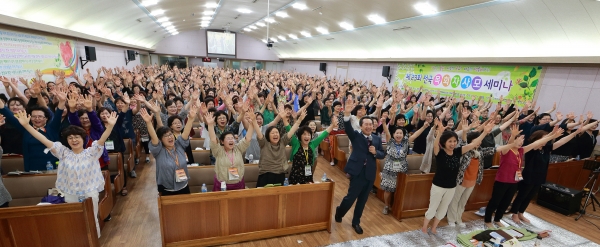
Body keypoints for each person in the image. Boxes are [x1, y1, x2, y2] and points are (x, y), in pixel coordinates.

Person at [14, 109, 118, 238]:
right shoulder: (63, 152)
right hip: (71, 193)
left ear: (83, 139)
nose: (74, 140)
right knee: (75, 221)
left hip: (89, 193)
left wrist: (110, 126)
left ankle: (94, 241)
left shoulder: (91, 152)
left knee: (92, 219)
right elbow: (43, 139)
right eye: (70, 138)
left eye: (77, 137)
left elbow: (102, 140)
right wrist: (26, 125)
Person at [510, 120, 598, 224]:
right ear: (537, 139)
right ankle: (514, 213)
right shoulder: (532, 148)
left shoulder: (546, 149)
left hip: (540, 176)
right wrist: (552, 135)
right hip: (529, 176)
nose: (546, 141)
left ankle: (521, 213)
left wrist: (575, 133)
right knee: (522, 195)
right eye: (544, 139)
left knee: (529, 196)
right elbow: (537, 143)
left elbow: (561, 142)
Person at [421, 119, 492, 235]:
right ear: (444, 142)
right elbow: (435, 144)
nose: (453, 144)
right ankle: (424, 227)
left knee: (443, 209)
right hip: (438, 186)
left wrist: (484, 133)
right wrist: (440, 132)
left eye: (454, 141)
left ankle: (434, 228)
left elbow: (473, 144)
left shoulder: (458, 151)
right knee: (432, 208)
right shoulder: (440, 153)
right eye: (450, 141)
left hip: (451, 187)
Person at [483, 126, 560, 229]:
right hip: (502, 181)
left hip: (514, 182)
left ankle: (497, 219)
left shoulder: (521, 151)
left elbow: (535, 143)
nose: (520, 143)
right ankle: (488, 220)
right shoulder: (506, 151)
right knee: (495, 201)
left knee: (506, 202)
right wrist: (513, 135)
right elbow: (509, 144)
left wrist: (552, 136)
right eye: (518, 141)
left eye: (522, 140)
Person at [447, 123, 518, 227]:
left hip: (472, 181)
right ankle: (451, 219)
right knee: (455, 201)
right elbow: (463, 142)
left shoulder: (480, 152)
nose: (479, 143)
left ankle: (458, 218)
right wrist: (465, 131)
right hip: (461, 181)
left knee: (463, 201)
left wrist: (512, 142)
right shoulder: (465, 151)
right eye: (476, 141)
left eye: (479, 141)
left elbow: (495, 149)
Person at [334, 99, 386, 235]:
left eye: (371, 124)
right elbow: (347, 127)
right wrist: (346, 114)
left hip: (370, 174)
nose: (369, 127)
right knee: (350, 198)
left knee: (362, 200)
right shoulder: (356, 136)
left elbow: (382, 153)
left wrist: (376, 153)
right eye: (366, 124)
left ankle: (356, 222)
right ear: (361, 126)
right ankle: (340, 211)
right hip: (357, 172)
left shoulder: (377, 139)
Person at [0, 87, 66, 171]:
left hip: (54, 167)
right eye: (34, 117)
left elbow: (58, 114)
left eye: (40, 117)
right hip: (32, 168)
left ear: (46, 118)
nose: (37, 119)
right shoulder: (26, 128)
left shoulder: (53, 128)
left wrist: (62, 101)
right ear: (30, 118)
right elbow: (7, 113)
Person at [141, 105, 197, 196]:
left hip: (184, 185)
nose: (170, 137)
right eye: (166, 136)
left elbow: (185, 133)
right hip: (167, 189)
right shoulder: (159, 150)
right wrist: (148, 123)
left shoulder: (179, 145)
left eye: (170, 134)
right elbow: (154, 138)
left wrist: (190, 119)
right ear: (161, 139)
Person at [379, 115, 428, 214]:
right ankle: (386, 205)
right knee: (388, 189)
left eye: (401, 133)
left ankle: (397, 205)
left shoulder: (406, 142)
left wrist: (424, 127)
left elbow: (415, 135)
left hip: (402, 169)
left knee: (400, 189)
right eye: (397, 133)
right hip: (389, 169)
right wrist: (384, 123)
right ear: (394, 134)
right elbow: (387, 132)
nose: (399, 135)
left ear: (403, 135)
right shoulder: (390, 141)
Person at [251, 103, 305, 187]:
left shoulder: (282, 142)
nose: (275, 134)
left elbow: (291, 131)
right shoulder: (264, 143)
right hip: (266, 175)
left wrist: (299, 120)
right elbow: (259, 133)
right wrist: (254, 121)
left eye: (277, 132)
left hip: (280, 174)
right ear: (268, 135)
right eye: (273, 133)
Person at [205, 107, 254, 191]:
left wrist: (252, 124)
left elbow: (248, 139)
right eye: (228, 138)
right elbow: (213, 139)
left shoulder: (238, 148)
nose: (231, 140)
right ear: (222, 142)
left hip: (238, 183)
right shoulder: (219, 150)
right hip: (223, 185)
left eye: (232, 138)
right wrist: (210, 125)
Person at [288, 117, 337, 184]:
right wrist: (285, 120)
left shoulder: (312, 144)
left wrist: (332, 126)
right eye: (304, 134)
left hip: (308, 175)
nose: (307, 136)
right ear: (300, 136)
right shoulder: (296, 143)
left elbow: (323, 134)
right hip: (296, 176)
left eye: (309, 135)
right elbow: (289, 130)